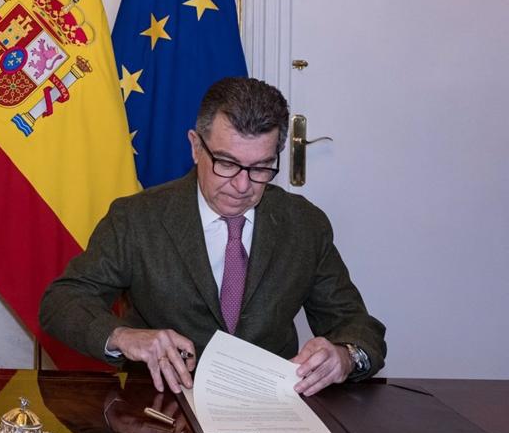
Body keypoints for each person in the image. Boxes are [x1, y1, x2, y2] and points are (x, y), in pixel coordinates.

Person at [39, 77, 385, 397]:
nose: (242, 185)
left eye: (261, 167)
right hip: (160, 407)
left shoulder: (304, 224)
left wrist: (345, 356)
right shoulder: (137, 218)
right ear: (195, 147)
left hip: (270, 409)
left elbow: (356, 325)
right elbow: (61, 301)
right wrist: (121, 336)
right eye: (226, 163)